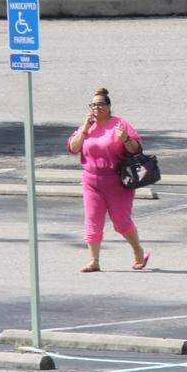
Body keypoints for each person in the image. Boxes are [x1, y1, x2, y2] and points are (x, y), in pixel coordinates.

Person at [67, 87, 151, 272]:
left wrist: (125, 138)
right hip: (91, 180)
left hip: (117, 180)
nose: (96, 108)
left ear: (109, 106)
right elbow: (73, 148)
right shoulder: (87, 127)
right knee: (92, 221)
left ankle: (138, 252)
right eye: (93, 105)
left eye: (100, 105)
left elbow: (136, 149)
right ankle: (94, 260)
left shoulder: (119, 124)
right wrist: (84, 129)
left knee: (121, 222)